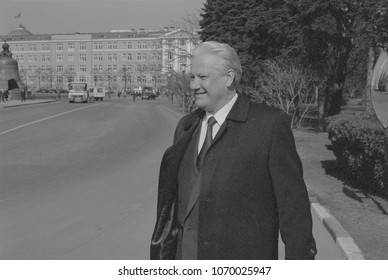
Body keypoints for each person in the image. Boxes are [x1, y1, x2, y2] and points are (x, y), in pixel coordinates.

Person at [150, 41, 317, 260]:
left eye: (203, 77)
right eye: (192, 77)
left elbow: (294, 210)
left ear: (228, 78)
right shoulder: (186, 126)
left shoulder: (269, 126)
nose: (193, 86)